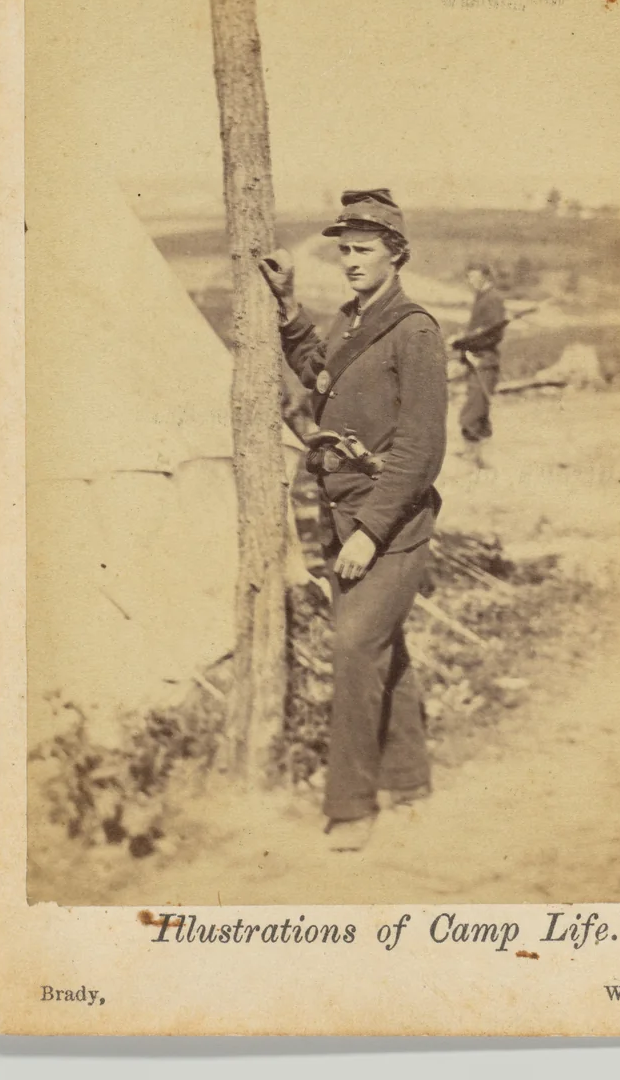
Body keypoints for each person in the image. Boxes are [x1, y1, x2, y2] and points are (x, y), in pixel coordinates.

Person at [259, 189, 448, 852]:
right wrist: (287, 308)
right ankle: (411, 780)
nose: (350, 261)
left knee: (352, 647)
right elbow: (320, 374)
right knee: (381, 649)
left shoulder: (416, 330)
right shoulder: (349, 320)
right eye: (343, 250)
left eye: (363, 250)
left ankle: (351, 805)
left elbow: (423, 448)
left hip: (391, 529)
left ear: (396, 254)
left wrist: (369, 531)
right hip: (343, 521)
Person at [451, 262, 507, 466]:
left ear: (486, 276)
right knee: (479, 408)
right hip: (477, 359)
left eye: (475, 276)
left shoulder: (492, 299)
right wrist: (465, 340)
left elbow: (493, 334)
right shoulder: (482, 297)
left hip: (484, 360)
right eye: (468, 277)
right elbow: (481, 330)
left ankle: (473, 457)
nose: (471, 281)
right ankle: (482, 458)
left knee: (473, 411)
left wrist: (464, 341)